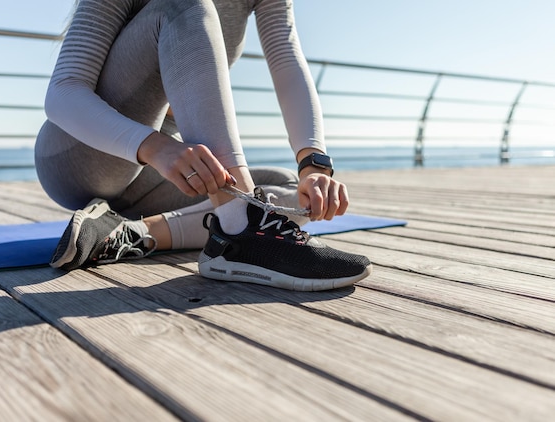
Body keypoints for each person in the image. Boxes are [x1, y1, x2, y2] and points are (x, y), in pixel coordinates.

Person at [35, 0, 372, 291]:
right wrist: (156, 147)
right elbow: (63, 92)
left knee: (288, 191)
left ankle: (129, 232)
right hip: (79, 158)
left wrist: (312, 165)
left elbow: (286, 57)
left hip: (161, 171)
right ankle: (240, 229)